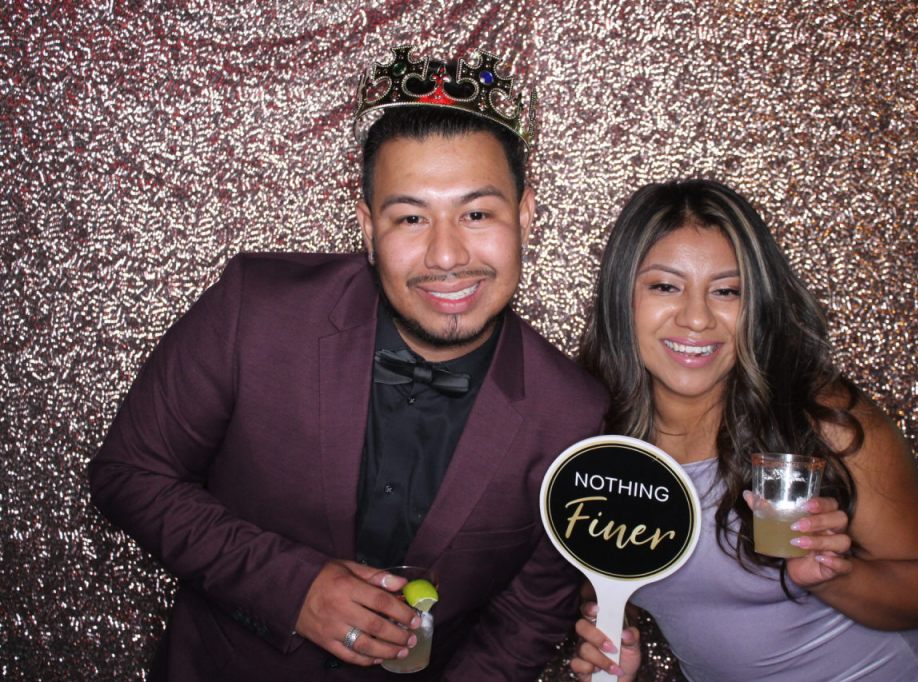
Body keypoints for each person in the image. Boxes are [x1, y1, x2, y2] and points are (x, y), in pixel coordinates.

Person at [89, 46, 607, 681]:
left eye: (476, 213)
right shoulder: (256, 310)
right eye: (410, 217)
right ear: (367, 227)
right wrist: (293, 589)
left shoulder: (574, 417)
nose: (447, 255)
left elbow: (524, 623)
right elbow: (131, 473)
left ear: (525, 215)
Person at [569, 179, 918, 681]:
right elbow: (602, 581)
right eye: (665, 286)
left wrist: (831, 576)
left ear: (758, 304)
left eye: (727, 291)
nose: (696, 318)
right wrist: (610, 646)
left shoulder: (820, 421)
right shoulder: (594, 445)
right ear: (621, 297)